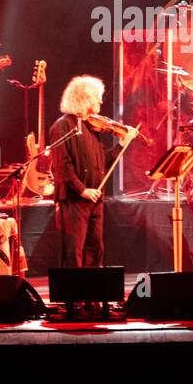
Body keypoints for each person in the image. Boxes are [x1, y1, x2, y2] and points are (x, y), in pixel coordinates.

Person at [47, 75, 135, 268]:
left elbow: (102, 162)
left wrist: (122, 143)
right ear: (85, 99)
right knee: (73, 252)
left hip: (94, 199)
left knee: (95, 249)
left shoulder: (90, 127)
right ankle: (73, 297)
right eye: (98, 97)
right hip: (74, 199)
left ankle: (93, 296)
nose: (101, 101)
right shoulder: (63, 126)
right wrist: (82, 189)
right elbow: (62, 165)